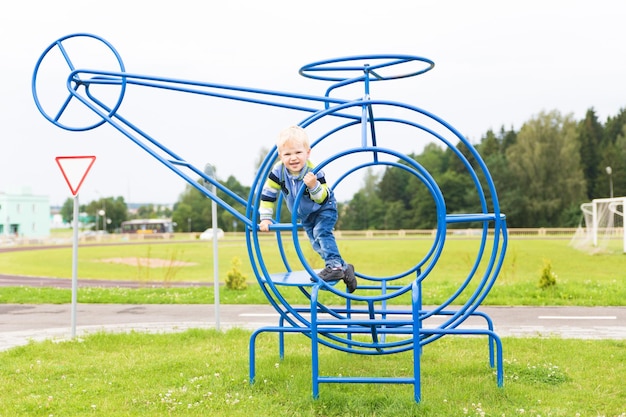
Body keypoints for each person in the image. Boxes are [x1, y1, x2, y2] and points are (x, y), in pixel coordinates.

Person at [258, 125, 357, 293]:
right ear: (280, 155)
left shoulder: (314, 171)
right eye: (287, 154)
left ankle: (334, 268)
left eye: (298, 152)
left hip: (324, 208)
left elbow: (322, 197)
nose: (293, 158)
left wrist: (313, 186)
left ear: (307, 153)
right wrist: (265, 218)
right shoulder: (278, 171)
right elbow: (268, 194)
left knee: (322, 233)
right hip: (305, 215)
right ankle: (345, 268)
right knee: (317, 244)